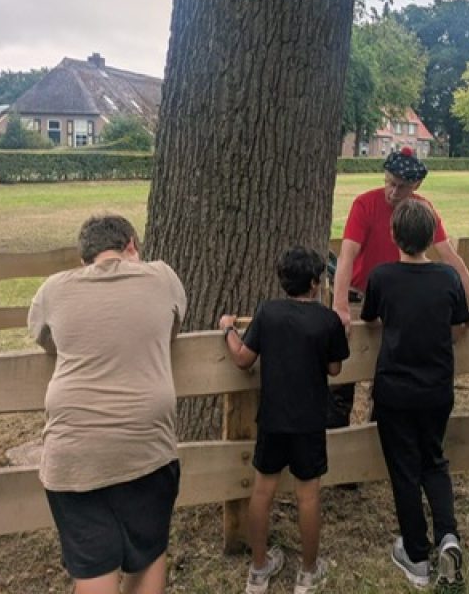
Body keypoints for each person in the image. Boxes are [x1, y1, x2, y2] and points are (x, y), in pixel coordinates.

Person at [29, 214, 187, 594]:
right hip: (146, 449)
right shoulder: (163, 277)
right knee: (148, 557)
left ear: (84, 258)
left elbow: (44, 338)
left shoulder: (54, 289)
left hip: (73, 456)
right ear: (131, 244)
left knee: (93, 573)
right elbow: (172, 327)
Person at [219, 246, 349, 594]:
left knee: (262, 491)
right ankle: (308, 573)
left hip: (273, 418)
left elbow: (243, 359)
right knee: (308, 496)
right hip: (310, 421)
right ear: (314, 282)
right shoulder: (327, 320)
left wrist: (228, 329)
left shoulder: (268, 313)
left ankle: (258, 571)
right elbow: (335, 367)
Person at [360, 198, 469, 591]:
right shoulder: (448, 278)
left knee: (404, 469)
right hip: (437, 387)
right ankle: (448, 536)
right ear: (431, 237)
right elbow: (460, 325)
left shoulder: (382, 277)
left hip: (395, 389)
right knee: (434, 461)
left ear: (394, 236)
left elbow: (369, 319)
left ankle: (416, 555)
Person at [330, 146, 469, 428]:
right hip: (361, 295)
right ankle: (337, 435)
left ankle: (380, 432)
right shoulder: (365, 204)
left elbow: (449, 255)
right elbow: (347, 256)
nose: (393, 192)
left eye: (402, 187)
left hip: (398, 300)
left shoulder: (423, 210)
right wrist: (340, 306)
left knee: (388, 369)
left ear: (416, 185)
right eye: (389, 183)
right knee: (343, 373)